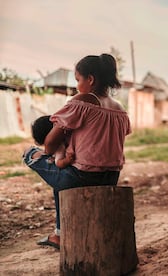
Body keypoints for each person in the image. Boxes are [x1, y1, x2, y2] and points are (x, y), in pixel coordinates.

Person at [22, 53, 131, 250]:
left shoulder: (83, 100)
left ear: (90, 79)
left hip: (81, 177)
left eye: (78, 80)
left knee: (30, 153)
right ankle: (59, 234)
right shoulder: (120, 110)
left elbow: (49, 145)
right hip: (111, 177)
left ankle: (60, 234)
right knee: (61, 173)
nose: (76, 86)